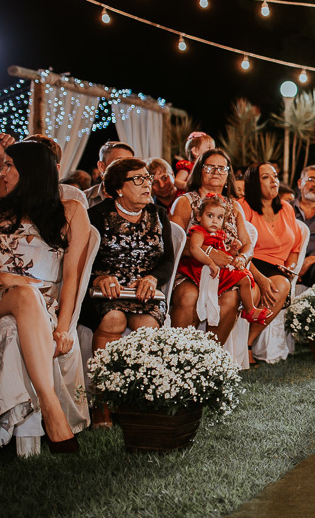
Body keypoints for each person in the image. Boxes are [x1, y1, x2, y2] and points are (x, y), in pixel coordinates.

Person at [0, 140, 91, 472]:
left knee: (11, 331)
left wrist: (63, 328)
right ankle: (51, 406)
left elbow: (72, 277)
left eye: (8, 165)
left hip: (41, 310)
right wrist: (9, 279)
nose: (1, 172)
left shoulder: (71, 211)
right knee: (24, 295)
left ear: (32, 172)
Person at [81, 157, 176, 428]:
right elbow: (79, 260)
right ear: (118, 188)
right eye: (138, 179)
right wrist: (99, 277)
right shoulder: (95, 216)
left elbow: (168, 260)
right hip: (103, 292)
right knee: (114, 320)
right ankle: (103, 404)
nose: (147, 184)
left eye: (147, 178)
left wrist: (153, 278)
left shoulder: (159, 215)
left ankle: (138, 400)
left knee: (147, 326)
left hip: (144, 291)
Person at [169, 149, 254, 344]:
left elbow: (248, 244)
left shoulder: (234, 206)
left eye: (222, 168)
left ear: (228, 174)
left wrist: (242, 257)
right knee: (188, 295)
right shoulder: (185, 201)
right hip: (191, 270)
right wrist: (209, 252)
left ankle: (210, 354)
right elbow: (174, 241)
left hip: (223, 273)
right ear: (199, 171)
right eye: (210, 167)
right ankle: (178, 351)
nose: (216, 172)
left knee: (231, 297)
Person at [238, 162, 303, 364]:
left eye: (275, 176)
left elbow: (296, 246)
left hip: (276, 267)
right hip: (250, 263)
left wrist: (290, 268)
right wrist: (260, 279)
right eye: (266, 177)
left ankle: (248, 342)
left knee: (281, 286)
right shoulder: (244, 206)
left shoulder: (286, 208)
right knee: (255, 292)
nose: (274, 181)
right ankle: (237, 343)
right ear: (254, 183)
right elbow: (240, 248)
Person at [177, 193, 264, 329]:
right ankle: (250, 311)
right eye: (210, 216)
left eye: (219, 217)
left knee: (245, 277)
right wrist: (210, 262)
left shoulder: (218, 234)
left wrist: (233, 251)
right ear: (199, 216)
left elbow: (223, 254)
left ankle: (249, 309)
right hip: (200, 268)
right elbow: (194, 249)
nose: (214, 221)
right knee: (243, 278)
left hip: (213, 268)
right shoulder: (199, 232)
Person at [85, 141, 135, 208]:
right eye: (119, 162)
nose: (126, 168)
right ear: (101, 166)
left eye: (130, 163)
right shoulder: (83, 198)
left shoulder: (140, 198)